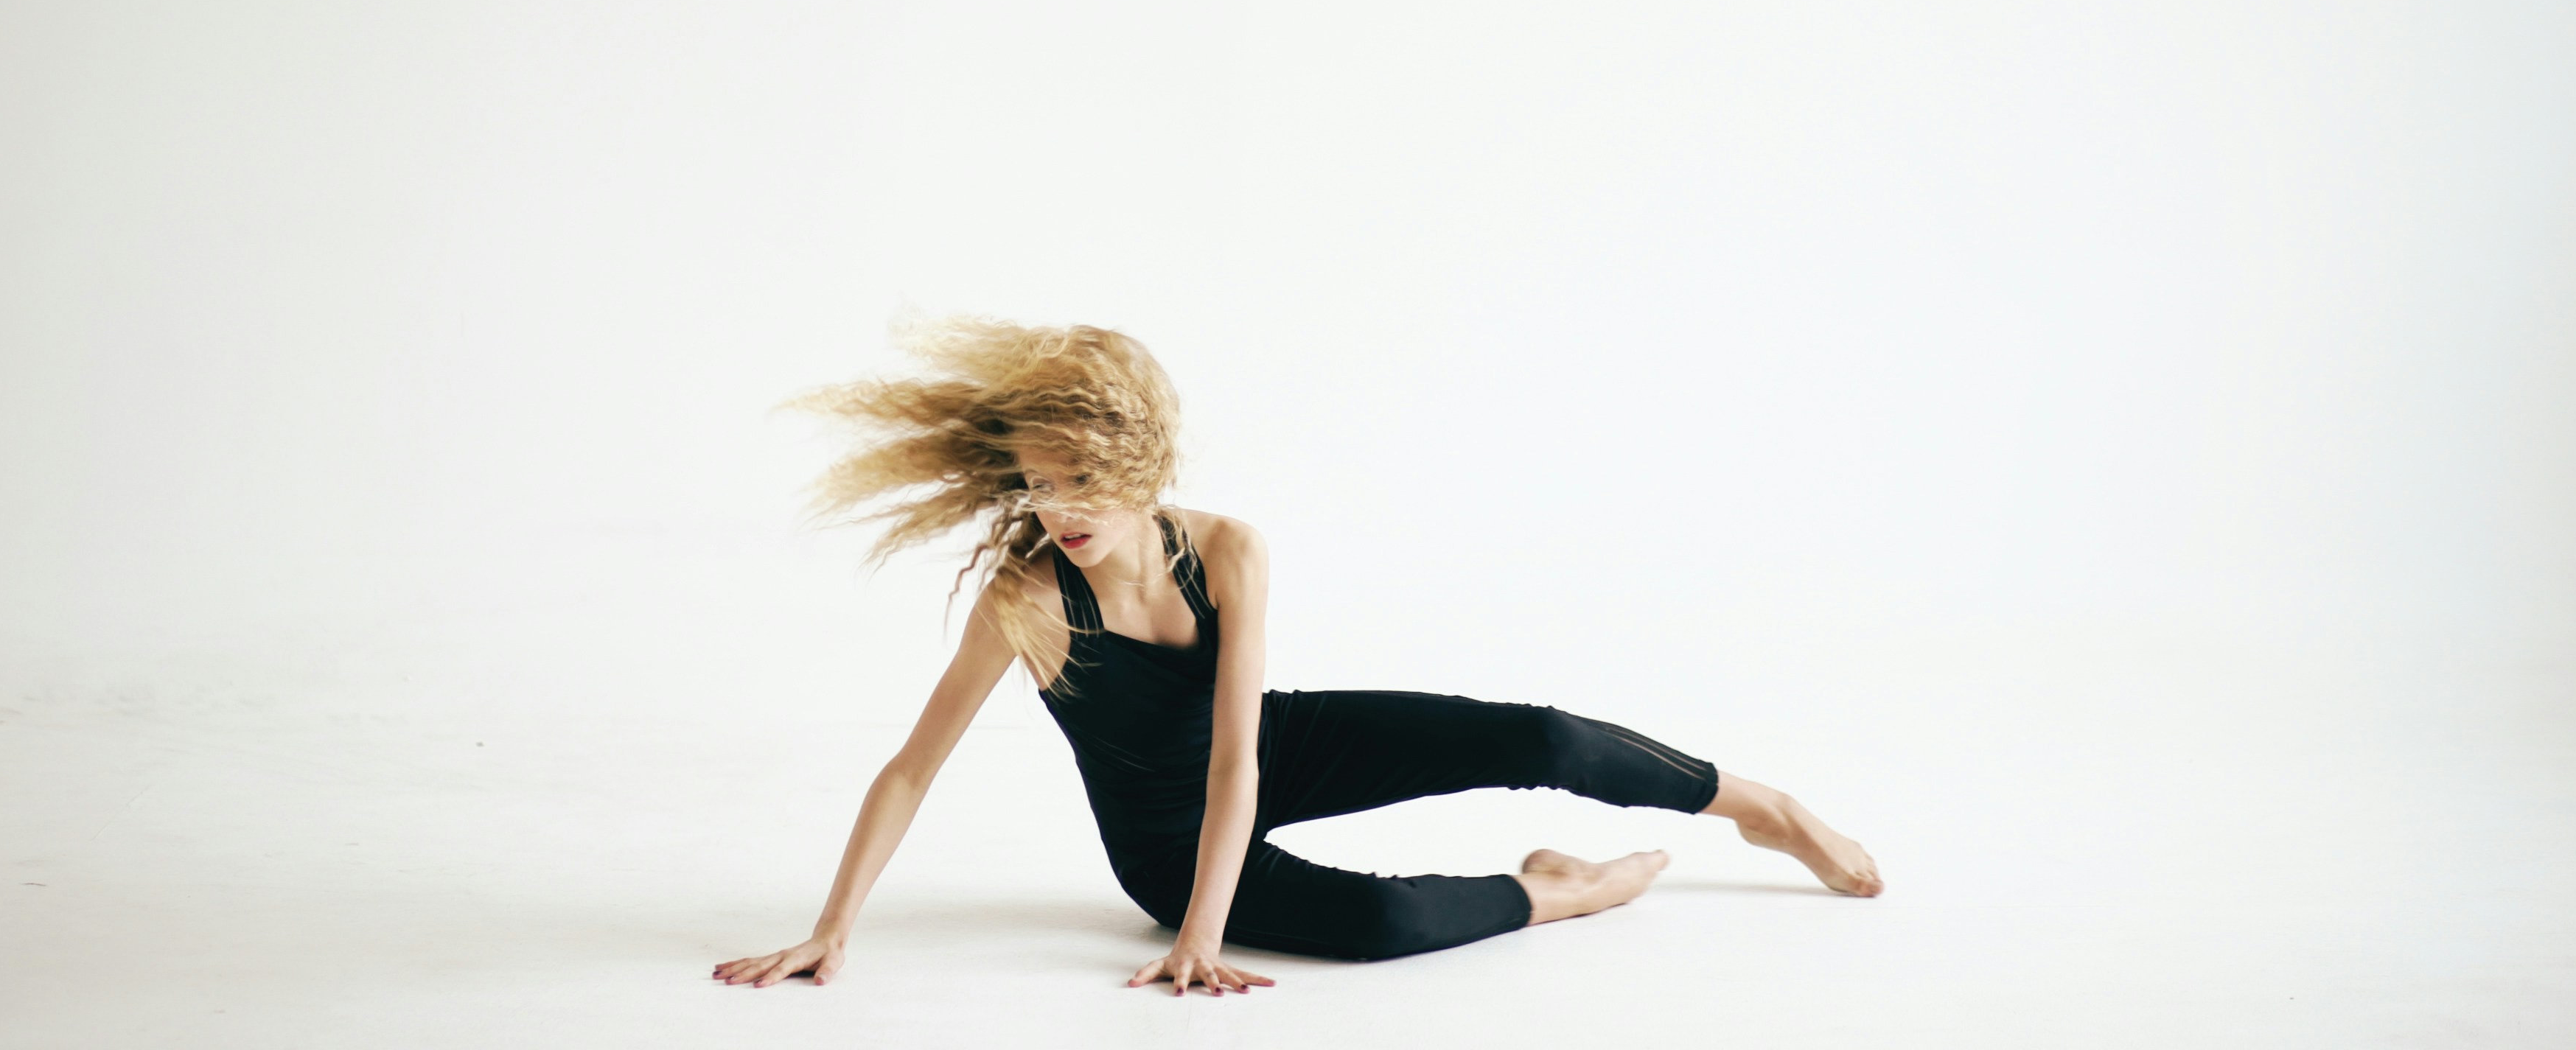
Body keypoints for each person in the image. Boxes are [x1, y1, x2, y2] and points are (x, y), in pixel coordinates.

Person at [714, 318, 1880, 998]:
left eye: (1077, 477)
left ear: (1138, 459)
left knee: (1537, 736)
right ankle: (1564, 889)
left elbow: (1239, 753)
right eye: (1035, 479)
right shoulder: (1030, 599)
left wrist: (1210, 936)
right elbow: (915, 767)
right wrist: (834, 928)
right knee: (1375, 935)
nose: (1055, 505)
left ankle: (1761, 806)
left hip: (1274, 747)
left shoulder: (1227, 549)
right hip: (1165, 852)